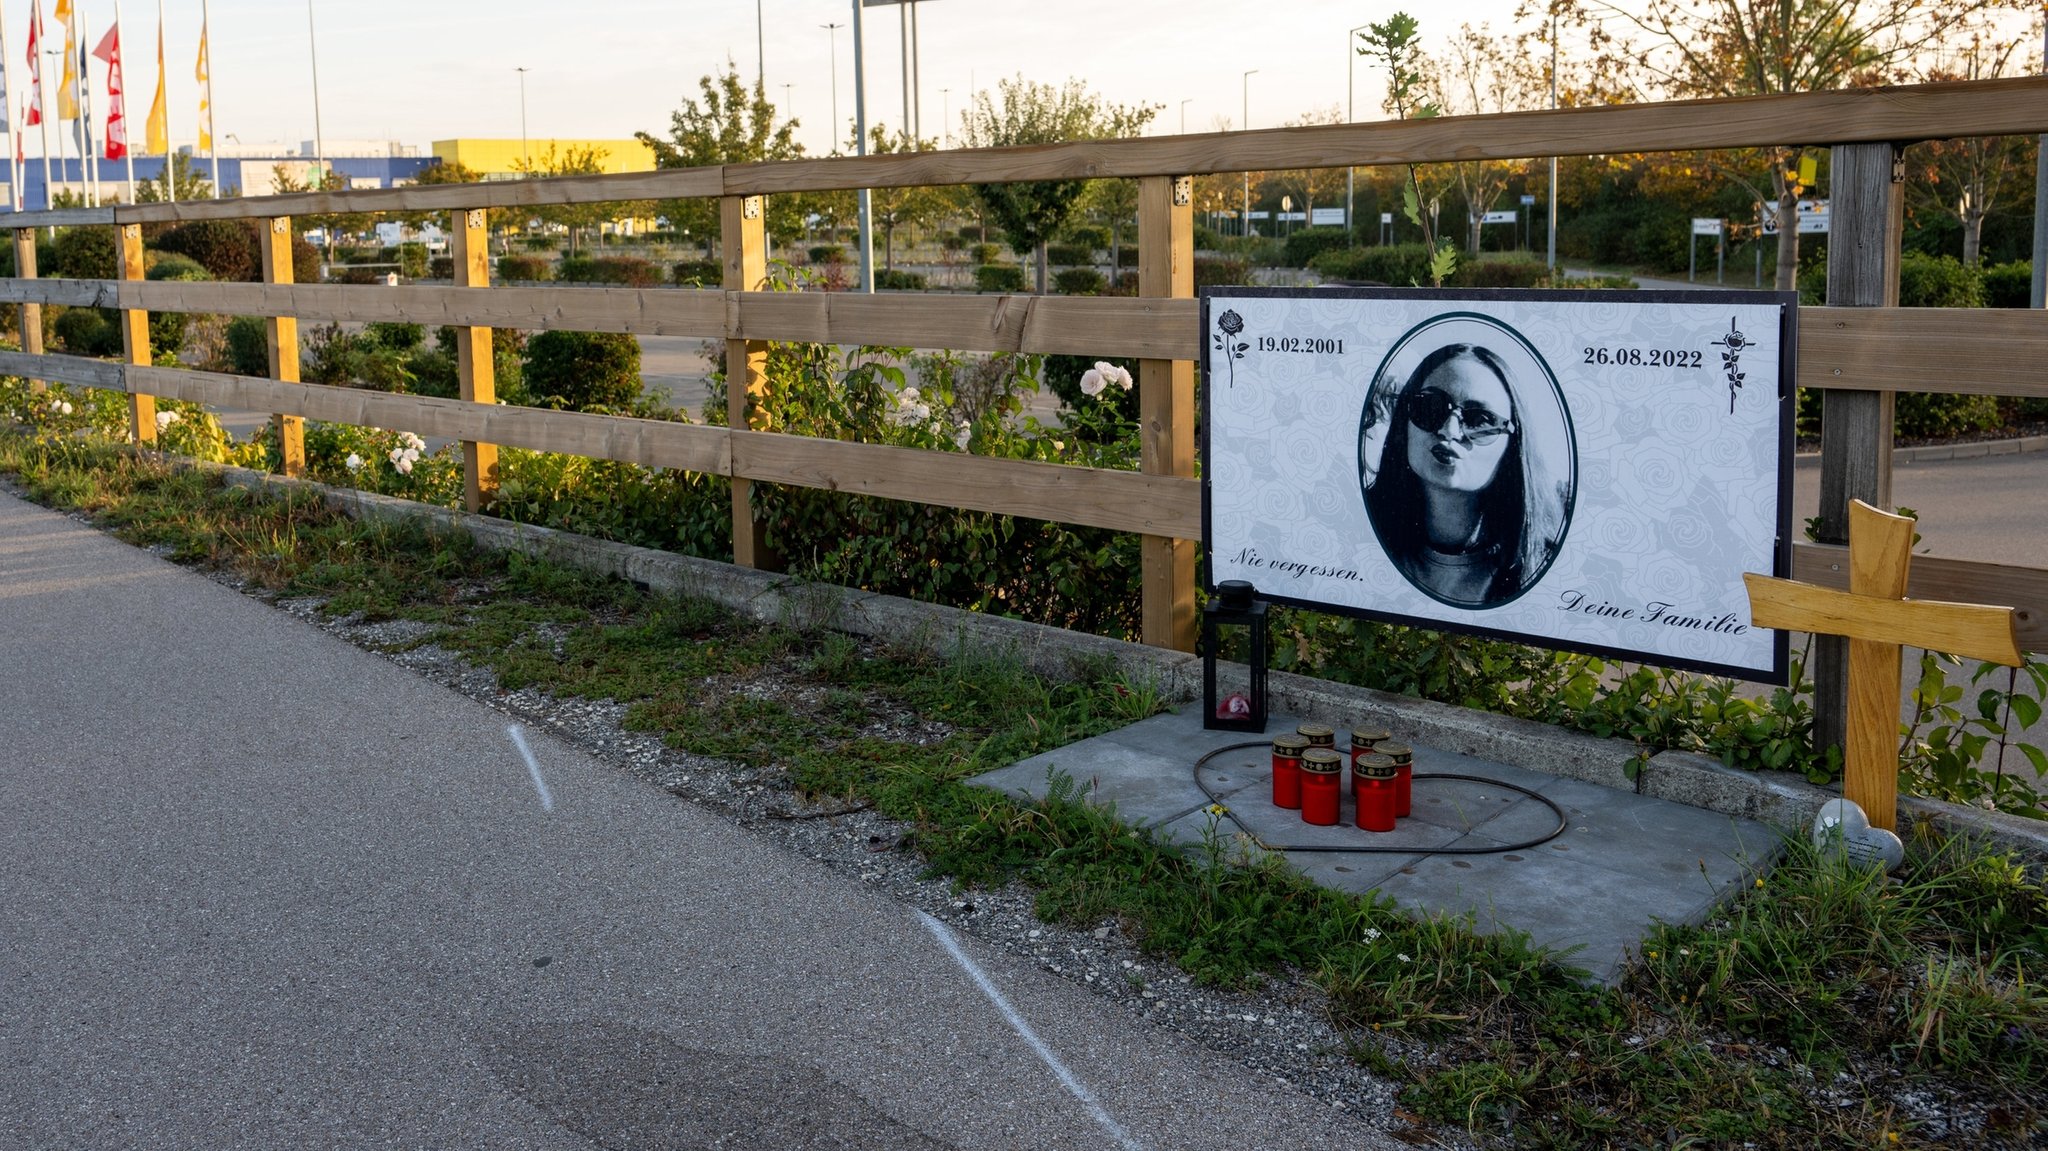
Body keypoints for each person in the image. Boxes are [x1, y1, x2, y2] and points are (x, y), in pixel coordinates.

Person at [1364, 343, 1566, 608]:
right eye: (1430, 407)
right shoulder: (1360, 532)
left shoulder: (1544, 570)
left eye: (1480, 420)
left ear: (1513, 447)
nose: (1449, 430)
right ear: (1405, 420)